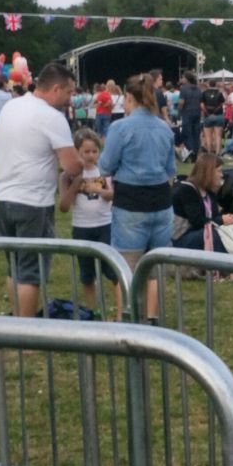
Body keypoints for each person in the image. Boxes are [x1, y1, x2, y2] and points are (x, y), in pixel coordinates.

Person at [0, 62, 80, 318]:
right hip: (32, 201)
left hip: (1, 196)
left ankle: (16, 316)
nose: (69, 99)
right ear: (55, 89)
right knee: (31, 270)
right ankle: (27, 331)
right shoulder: (52, 117)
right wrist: (81, 165)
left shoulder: (11, 105)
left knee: (14, 267)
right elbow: (70, 165)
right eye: (69, 92)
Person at [98, 73, 176, 323]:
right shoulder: (165, 128)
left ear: (129, 97)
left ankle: (126, 319)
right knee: (153, 266)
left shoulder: (120, 128)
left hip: (131, 203)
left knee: (126, 267)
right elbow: (171, 170)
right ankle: (152, 318)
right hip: (162, 202)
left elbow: (106, 166)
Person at [58, 129, 121, 320]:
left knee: (112, 270)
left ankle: (120, 313)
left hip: (104, 225)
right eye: (86, 152)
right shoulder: (67, 175)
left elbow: (113, 195)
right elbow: (63, 206)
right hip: (82, 227)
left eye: (94, 151)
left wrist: (101, 190)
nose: (91, 156)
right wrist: (75, 185)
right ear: (77, 152)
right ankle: (94, 311)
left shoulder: (104, 170)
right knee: (87, 273)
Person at [171, 152, 233, 253]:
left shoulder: (208, 191)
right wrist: (221, 220)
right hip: (181, 238)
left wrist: (223, 220)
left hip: (200, 233)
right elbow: (198, 222)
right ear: (208, 172)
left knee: (230, 234)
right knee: (215, 235)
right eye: (219, 171)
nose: (222, 175)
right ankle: (225, 266)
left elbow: (213, 216)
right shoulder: (186, 190)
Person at [177, 71, 202, 161]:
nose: (182, 79)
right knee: (196, 133)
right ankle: (196, 152)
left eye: (183, 78)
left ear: (186, 79)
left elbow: (181, 103)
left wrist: (179, 111)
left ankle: (190, 151)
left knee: (187, 133)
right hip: (197, 113)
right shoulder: (198, 89)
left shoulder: (184, 89)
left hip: (187, 112)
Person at [201, 79, 226, 155]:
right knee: (218, 136)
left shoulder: (204, 93)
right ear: (216, 84)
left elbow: (202, 105)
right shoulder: (219, 93)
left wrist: (207, 113)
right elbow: (222, 103)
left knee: (208, 136)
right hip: (218, 115)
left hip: (208, 116)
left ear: (208, 84)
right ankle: (218, 152)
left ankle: (209, 152)